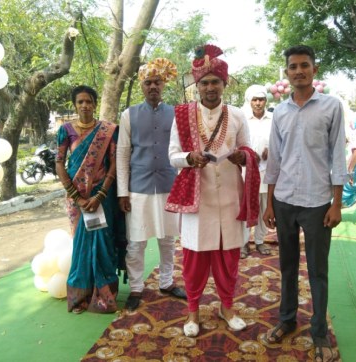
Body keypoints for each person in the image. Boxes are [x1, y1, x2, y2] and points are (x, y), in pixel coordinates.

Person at [166, 44, 260, 338]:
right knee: (195, 261)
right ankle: (193, 312)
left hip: (230, 196)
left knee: (228, 258)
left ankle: (226, 307)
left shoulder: (236, 116)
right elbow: (172, 155)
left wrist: (243, 156)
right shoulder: (182, 115)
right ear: (197, 85)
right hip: (197, 199)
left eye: (215, 82)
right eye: (204, 82)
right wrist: (189, 158)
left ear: (224, 83)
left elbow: (249, 150)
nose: (209, 87)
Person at [262, 45, 346, 362]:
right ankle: (286, 320)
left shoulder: (331, 107)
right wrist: (269, 203)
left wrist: (336, 204)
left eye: (304, 65)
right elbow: (275, 161)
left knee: (317, 270)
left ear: (314, 69)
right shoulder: (280, 112)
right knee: (286, 267)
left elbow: (338, 156)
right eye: (293, 66)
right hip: (283, 201)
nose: (298, 71)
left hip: (316, 203)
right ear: (286, 73)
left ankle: (319, 333)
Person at [116, 58, 187, 312]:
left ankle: (167, 282)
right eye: (148, 82)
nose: (153, 86)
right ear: (141, 86)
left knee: (168, 239)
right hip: (138, 189)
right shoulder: (129, 115)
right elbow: (123, 154)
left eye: (157, 81)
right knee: (136, 242)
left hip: (169, 185)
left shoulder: (177, 113)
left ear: (164, 84)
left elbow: (182, 150)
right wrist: (122, 192)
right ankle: (136, 288)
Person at [55, 85, 127, 314]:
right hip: (77, 198)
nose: (85, 105)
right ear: (75, 105)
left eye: (89, 101)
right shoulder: (65, 130)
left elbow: (114, 163)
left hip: (101, 197)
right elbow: (59, 163)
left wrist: (100, 194)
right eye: (80, 102)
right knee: (81, 245)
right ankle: (80, 298)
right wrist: (77, 196)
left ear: (95, 104)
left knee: (103, 244)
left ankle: (104, 298)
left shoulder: (108, 130)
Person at [240, 84, 273, 259]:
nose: (258, 103)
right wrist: (249, 155)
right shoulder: (242, 118)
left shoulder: (273, 119)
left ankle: (260, 241)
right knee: (246, 205)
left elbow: (280, 139)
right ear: (249, 101)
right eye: (255, 100)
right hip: (246, 171)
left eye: (261, 99)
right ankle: (243, 242)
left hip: (267, 170)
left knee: (263, 206)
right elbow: (237, 142)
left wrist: (271, 149)